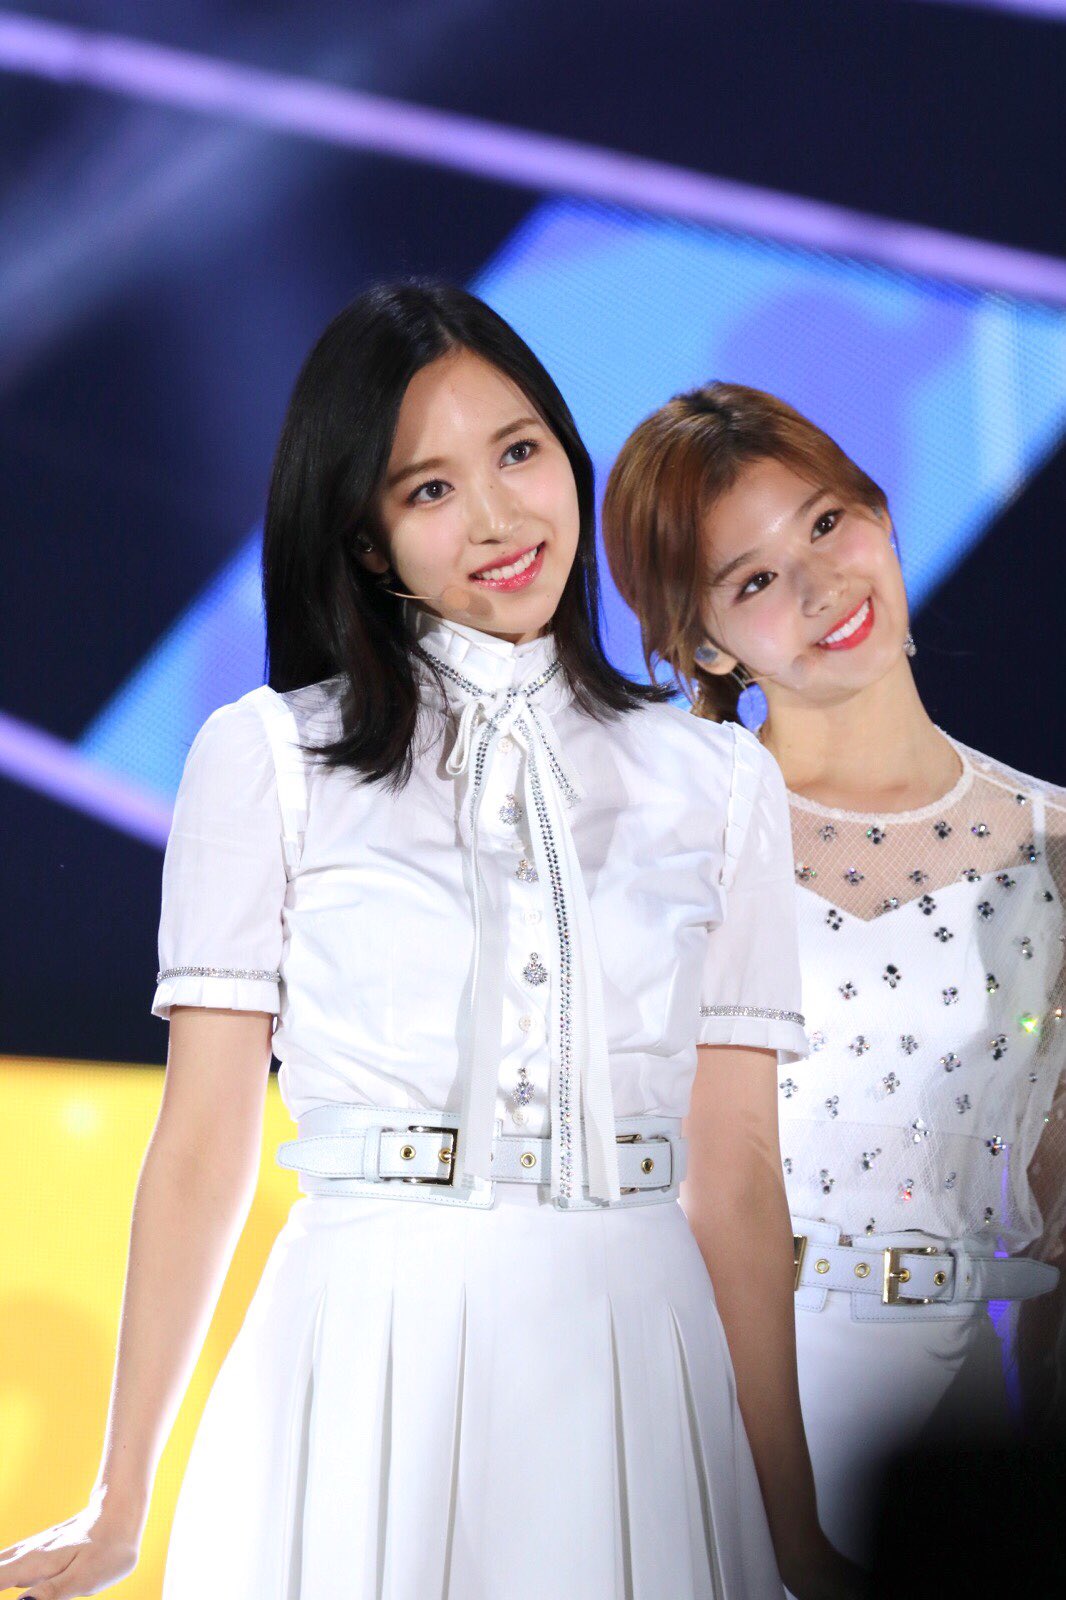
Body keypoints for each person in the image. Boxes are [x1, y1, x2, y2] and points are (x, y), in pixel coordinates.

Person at [0, 295, 861, 1600]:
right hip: (367, 1340)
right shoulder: (270, 758)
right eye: (430, 489)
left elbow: (735, 1170)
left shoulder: (718, 779)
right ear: (367, 535)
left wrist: (788, 1524)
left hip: (636, 1340)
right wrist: (123, 1498)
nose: (500, 519)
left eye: (519, 453)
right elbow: (203, 1142)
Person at [601, 381, 1066, 1573]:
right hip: (719, 1402)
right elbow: (708, 1180)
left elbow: (1051, 1204)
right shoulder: (678, 836)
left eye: (825, 523)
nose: (818, 588)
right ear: (707, 641)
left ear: (880, 515)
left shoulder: (1050, 842)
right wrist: (789, 1529)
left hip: (948, 1406)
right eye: (755, 578)